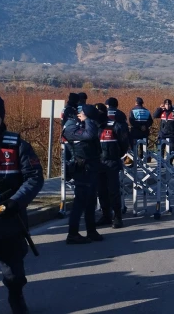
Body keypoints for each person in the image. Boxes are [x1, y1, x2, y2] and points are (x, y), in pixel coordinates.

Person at [0, 95, 44, 314]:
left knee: (13, 274)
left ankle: (16, 298)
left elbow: (34, 177)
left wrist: (16, 201)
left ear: (0, 117)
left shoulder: (17, 146)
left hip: (7, 220)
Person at [62, 104, 103, 244]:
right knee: (79, 203)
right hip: (82, 169)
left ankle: (91, 231)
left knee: (91, 201)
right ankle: (72, 234)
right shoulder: (70, 128)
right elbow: (90, 135)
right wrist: (88, 120)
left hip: (91, 167)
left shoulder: (84, 124)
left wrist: (88, 120)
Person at [94, 103, 130, 229]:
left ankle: (118, 217)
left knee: (113, 191)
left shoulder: (115, 126)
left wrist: (116, 155)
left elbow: (124, 144)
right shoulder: (93, 126)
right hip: (98, 163)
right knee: (101, 191)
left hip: (112, 162)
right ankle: (106, 215)